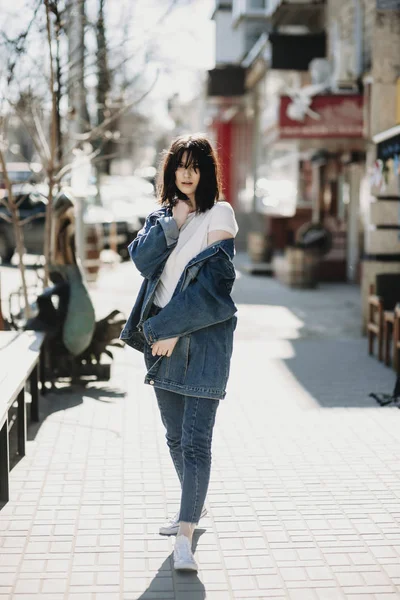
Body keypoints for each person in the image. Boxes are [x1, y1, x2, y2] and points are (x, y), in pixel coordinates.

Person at [120, 133, 238, 572]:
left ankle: (186, 536)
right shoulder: (162, 215)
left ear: (208, 171)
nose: (186, 174)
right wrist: (172, 222)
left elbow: (214, 290)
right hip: (161, 343)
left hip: (202, 342)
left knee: (195, 443)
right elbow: (142, 264)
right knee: (173, 437)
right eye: (179, 165)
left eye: (195, 165)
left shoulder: (220, 213)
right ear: (170, 171)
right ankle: (195, 507)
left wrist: (167, 329)